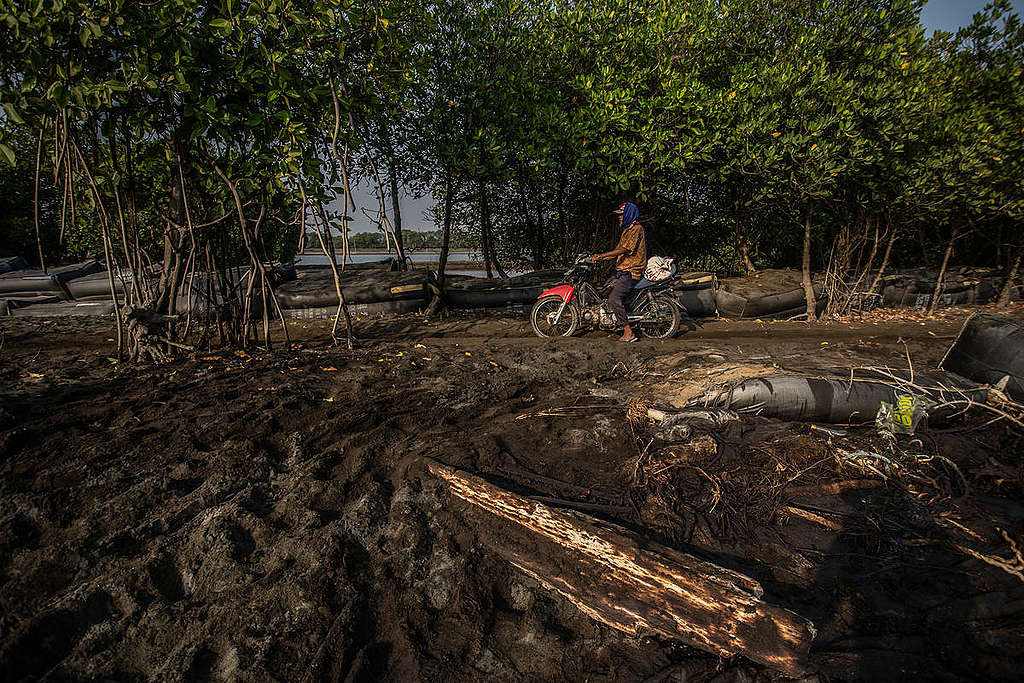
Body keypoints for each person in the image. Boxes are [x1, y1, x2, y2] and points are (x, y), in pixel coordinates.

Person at [593, 201, 646, 342]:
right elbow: (617, 251)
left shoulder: (636, 229)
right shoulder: (626, 230)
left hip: (630, 272)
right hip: (621, 271)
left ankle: (628, 332)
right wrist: (601, 258)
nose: (619, 217)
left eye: (621, 215)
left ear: (628, 214)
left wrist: (604, 255)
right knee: (603, 292)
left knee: (614, 299)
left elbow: (626, 250)